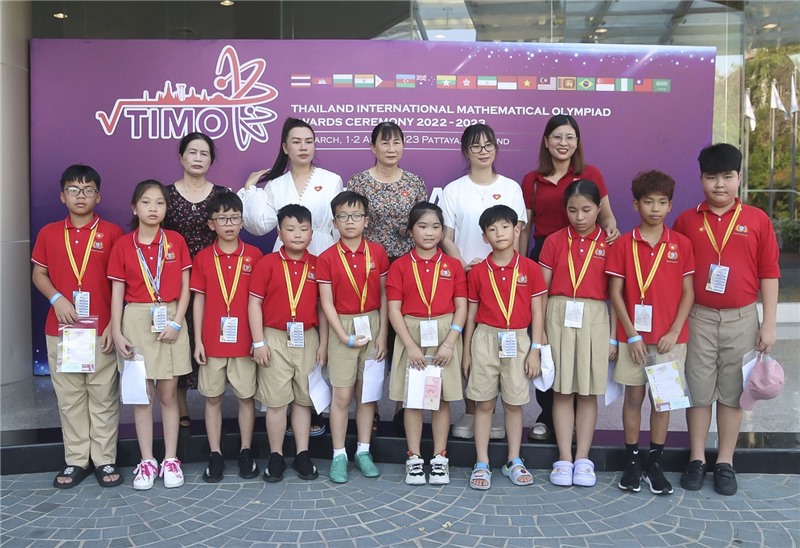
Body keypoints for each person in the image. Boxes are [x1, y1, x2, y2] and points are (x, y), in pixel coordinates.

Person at [673, 144, 780, 496]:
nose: (719, 184)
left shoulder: (757, 220)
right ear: (701, 179)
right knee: (698, 390)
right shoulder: (687, 221)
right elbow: (676, 276)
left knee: (733, 393)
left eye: (727, 177)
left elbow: (769, 273)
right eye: (711, 177)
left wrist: (768, 323)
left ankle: (725, 462)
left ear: (739, 178)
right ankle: (696, 459)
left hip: (742, 318)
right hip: (698, 318)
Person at [520, 114, 620, 443]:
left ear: (577, 142)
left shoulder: (591, 175)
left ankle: (578, 423)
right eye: (557, 137)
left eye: (569, 137)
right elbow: (526, 227)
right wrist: (522, 263)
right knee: (549, 345)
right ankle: (548, 416)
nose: (563, 143)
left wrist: (611, 234)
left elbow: (607, 217)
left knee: (579, 356)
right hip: (547, 253)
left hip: (588, 254)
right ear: (546, 141)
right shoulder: (533, 180)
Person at [31, 164, 124, 489]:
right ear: (62, 196)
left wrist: (114, 324)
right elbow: (38, 274)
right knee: (69, 398)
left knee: (103, 396)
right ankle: (76, 460)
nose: (80, 196)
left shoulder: (112, 233)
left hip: (101, 330)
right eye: (73, 190)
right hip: (63, 329)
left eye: (87, 190)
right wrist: (57, 299)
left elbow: (120, 283)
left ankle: (104, 458)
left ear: (98, 196)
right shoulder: (49, 233)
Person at [605, 170, 695, 495]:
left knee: (663, 402)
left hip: (670, 341)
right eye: (648, 202)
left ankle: (654, 463)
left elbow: (689, 292)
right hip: (634, 340)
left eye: (661, 202)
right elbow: (615, 293)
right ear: (635, 204)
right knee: (633, 398)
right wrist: (631, 335)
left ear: (670, 205)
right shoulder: (623, 245)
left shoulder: (681, 244)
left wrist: (674, 330)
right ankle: (632, 461)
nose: (655, 208)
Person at [440, 123, 527, 440]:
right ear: (466, 151)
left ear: (496, 148)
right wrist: (463, 265)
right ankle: (473, 410)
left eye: (488, 144)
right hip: (467, 276)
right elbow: (446, 236)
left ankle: (497, 413)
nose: (483, 151)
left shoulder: (511, 188)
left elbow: (519, 233)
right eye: (475, 146)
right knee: (472, 343)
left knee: (502, 345)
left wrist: (514, 268)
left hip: (505, 279)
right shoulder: (453, 190)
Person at [108, 180, 192, 490]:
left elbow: (186, 287)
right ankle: (147, 460)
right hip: (136, 321)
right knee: (142, 397)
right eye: (146, 202)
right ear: (134, 207)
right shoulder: (123, 245)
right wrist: (116, 330)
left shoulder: (175, 242)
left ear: (166, 209)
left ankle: (170, 458)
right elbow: (117, 292)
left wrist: (178, 322)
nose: (153, 208)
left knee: (168, 396)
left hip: (170, 319)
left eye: (159, 202)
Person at [348, 121, 428, 433]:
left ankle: (403, 405)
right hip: (368, 267)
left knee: (404, 334)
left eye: (397, 142)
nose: (391, 149)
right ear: (373, 147)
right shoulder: (358, 182)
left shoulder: (415, 182)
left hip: (408, 268)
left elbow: (422, 225)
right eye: (385, 142)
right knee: (373, 336)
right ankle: (369, 408)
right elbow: (351, 223)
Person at [538, 180, 617, 488]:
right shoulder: (554, 241)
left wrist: (613, 336)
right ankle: (564, 457)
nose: (580, 217)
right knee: (562, 390)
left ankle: (583, 458)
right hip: (557, 315)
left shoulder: (610, 243)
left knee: (587, 391)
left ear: (599, 208)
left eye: (586, 209)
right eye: (573, 210)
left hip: (595, 317)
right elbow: (541, 291)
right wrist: (540, 332)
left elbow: (618, 295)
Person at [462, 205, 546, 490]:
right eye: (492, 229)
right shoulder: (477, 272)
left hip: (518, 340)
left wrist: (535, 349)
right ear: (484, 237)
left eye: (505, 227)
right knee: (484, 404)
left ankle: (513, 459)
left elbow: (538, 312)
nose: (499, 233)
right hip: (485, 339)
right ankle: (482, 461)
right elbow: (471, 316)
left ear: (517, 229)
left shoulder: (530, 269)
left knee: (513, 403)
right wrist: (466, 352)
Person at [386, 202, 467, 485]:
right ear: (410, 231)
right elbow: (394, 309)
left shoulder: (453, 266)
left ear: (443, 232)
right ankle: (414, 458)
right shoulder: (399, 266)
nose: (429, 232)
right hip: (411, 334)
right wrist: (409, 345)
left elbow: (462, 307)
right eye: (422, 226)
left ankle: (440, 457)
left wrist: (450, 342)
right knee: (413, 399)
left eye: (435, 227)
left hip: (445, 335)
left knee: (440, 398)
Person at [249, 204, 327, 482]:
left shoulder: (318, 264)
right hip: (274, 337)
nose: (297, 234)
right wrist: (258, 342)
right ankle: (276, 455)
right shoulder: (267, 263)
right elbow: (254, 304)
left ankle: (303, 454)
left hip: (308, 337)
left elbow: (323, 308)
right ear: (279, 233)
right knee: (277, 402)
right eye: (290, 229)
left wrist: (323, 343)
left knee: (304, 400)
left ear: (311, 233)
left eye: (304, 229)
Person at [317, 191, 390, 483]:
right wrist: (342, 337)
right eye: (343, 216)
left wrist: (382, 334)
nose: (350, 221)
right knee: (342, 395)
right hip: (342, 327)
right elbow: (326, 303)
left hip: (372, 324)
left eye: (356, 215)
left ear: (366, 220)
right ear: (334, 222)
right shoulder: (327, 258)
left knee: (367, 395)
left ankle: (363, 451)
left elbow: (384, 296)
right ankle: (338, 454)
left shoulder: (377, 253)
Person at [190, 193, 263, 483]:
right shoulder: (203, 257)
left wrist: (258, 340)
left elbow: (260, 302)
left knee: (246, 398)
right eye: (222, 219)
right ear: (211, 224)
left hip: (245, 343)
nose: (229, 224)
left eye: (234, 218)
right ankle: (215, 454)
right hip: (212, 343)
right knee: (213, 399)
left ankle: (245, 450)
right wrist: (198, 341)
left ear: (242, 221)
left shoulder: (255, 255)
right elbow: (198, 300)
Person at [164, 132, 229, 429]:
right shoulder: (165, 195)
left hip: (213, 278)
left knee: (209, 338)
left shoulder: (221, 194)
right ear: (181, 157)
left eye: (204, 153)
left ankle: (213, 404)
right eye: (192, 152)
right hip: (174, 278)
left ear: (211, 161)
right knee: (179, 343)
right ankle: (180, 408)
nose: (198, 158)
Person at [239, 117, 343, 257]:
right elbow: (259, 226)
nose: (303, 147)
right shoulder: (275, 185)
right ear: (285, 148)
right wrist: (249, 189)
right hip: (284, 255)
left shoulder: (332, 180)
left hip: (322, 251)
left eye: (309, 141)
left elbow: (340, 228)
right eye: (296, 142)